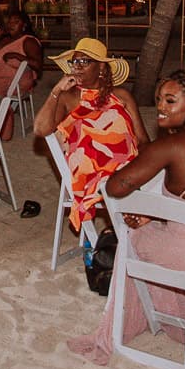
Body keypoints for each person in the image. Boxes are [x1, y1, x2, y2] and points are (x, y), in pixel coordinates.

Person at [68, 71, 185, 365]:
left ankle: (122, 325)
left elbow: (115, 187)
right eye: (158, 100)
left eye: (170, 100)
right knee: (153, 230)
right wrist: (153, 218)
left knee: (131, 240)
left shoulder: (174, 145)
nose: (161, 107)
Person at [34, 37, 148, 233]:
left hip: (129, 168)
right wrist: (56, 90)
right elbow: (40, 129)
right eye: (74, 61)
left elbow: (143, 140)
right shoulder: (67, 98)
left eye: (84, 61)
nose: (77, 67)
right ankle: (121, 232)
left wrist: (148, 166)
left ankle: (125, 233)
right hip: (93, 174)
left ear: (102, 68)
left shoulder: (121, 96)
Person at [0, 8, 43, 140]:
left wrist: (17, 56)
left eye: (16, 22)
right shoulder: (5, 40)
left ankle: (1, 117)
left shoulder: (28, 41)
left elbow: (38, 65)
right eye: (9, 22)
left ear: (24, 25)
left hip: (17, 81)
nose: (11, 24)